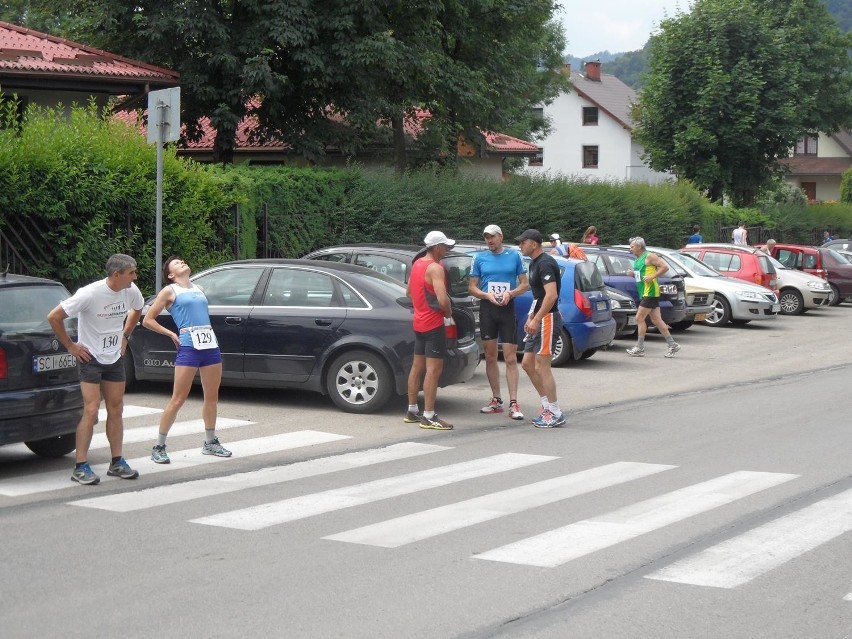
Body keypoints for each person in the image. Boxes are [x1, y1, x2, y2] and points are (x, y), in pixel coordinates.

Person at [47, 254, 144, 485]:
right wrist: (71, 346)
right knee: (91, 410)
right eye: (131, 272)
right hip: (90, 357)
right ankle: (80, 466)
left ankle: (117, 462)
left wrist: (125, 336)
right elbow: (54, 316)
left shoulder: (130, 290)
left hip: (114, 358)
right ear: (116, 274)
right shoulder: (90, 293)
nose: (135, 276)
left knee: (116, 408)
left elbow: (138, 309)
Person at [144, 256, 231, 464]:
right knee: (178, 398)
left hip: (209, 344)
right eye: (176, 263)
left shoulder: (199, 288)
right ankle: (159, 446)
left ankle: (210, 442)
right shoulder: (169, 291)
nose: (181, 262)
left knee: (212, 397)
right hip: (189, 345)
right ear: (171, 275)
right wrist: (171, 334)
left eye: (182, 261)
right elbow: (148, 320)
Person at [469, 224, 529, 420]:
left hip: (507, 309)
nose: (489, 241)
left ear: (500, 237)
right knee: (491, 356)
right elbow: (472, 287)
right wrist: (486, 295)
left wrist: (510, 293)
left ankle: (514, 402)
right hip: (488, 309)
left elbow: (525, 284)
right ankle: (496, 400)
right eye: (486, 237)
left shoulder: (514, 256)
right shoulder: (479, 258)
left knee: (511, 357)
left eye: (492, 237)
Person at [404, 230, 456, 430]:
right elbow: (443, 299)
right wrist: (448, 313)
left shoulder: (417, 264)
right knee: (434, 370)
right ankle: (429, 415)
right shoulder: (435, 268)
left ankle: (412, 410)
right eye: (445, 246)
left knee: (417, 367)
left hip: (418, 323)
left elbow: (408, 292)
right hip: (433, 324)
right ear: (436, 247)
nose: (447, 249)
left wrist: (421, 308)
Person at [515, 229, 565, 428]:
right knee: (527, 364)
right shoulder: (534, 263)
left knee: (542, 366)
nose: (520, 246)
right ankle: (546, 406)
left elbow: (551, 296)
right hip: (539, 317)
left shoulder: (545, 263)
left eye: (522, 243)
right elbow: (538, 296)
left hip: (549, 319)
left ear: (533, 244)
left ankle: (555, 412)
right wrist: (530, 316)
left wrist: (537, 319)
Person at [625, 237, 681, 359]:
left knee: (639, 318)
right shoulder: (638, 259)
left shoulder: (649, 256)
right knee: (656, 320)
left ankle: (640, 348)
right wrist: (632, 274)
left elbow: (664, 267)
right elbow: (642, 275)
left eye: (632, 246)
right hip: (645, 291)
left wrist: (652, 276)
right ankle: (673, 345)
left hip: (650, 291)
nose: (631, 248)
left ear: (639, 247)